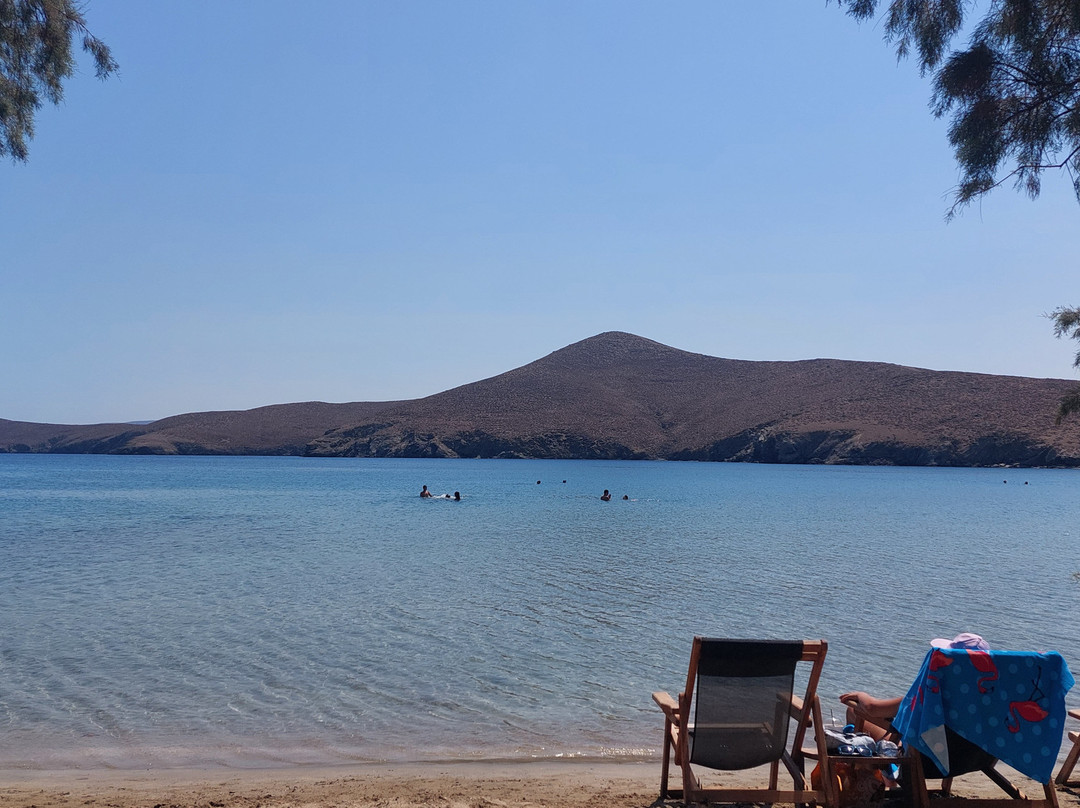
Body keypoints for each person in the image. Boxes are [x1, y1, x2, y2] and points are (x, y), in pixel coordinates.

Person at [839, 633, 989, 740]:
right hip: (971, 760)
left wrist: (861, 695)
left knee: (854, 710)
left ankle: (867, 778)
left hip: (925, 761)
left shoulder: (932, 693)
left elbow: (873, 708)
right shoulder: (991, 699)